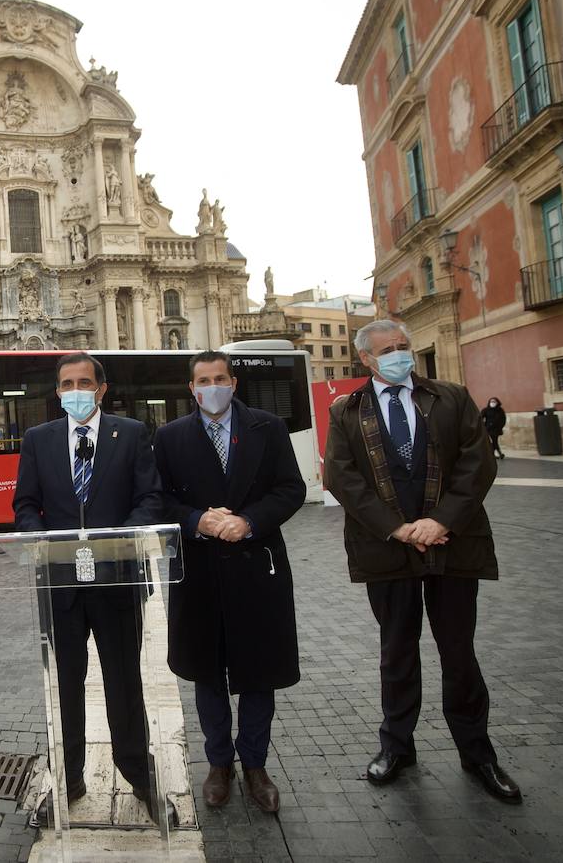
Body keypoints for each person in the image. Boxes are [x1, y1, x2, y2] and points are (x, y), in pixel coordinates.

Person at [324, 320, 521, 804]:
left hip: (453, 545)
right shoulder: (347, 410)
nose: (399, 355)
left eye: (403, 347)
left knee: (459, 653)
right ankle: (397, 747)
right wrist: (396, 527)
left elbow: (479, 463)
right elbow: (342, 477)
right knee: (396, 651)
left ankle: (478, 755)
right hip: (386, 549)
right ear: (366, 360)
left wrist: (441, 522)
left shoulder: (450, 397)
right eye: (387, 350)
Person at [152, 351, 305, 813]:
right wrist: (199, 520)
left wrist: (250, 522)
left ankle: (256, 765)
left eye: (220, 378)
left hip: (257, 569)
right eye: (203, 380)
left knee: (259, 673)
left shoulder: (267, 427)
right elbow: (158, 501)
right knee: (207, 673)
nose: (212, 387)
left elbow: (291, 489)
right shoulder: (170, 437)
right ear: (191, 389)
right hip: (199, 573)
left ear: (233, 383)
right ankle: (218, 765)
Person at [12, 353, 163, 817]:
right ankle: (69, 781)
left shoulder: (132, 433)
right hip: (61, 587)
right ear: (57, 392)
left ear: (101, 388)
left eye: (83, 382)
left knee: (124, 683)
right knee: (67, 687)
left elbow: (150, 499)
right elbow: (25, 503)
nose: (74, 390)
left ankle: (139, 776)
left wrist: (117, 539)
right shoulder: (39, 439)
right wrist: (36, 534)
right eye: (65, 384)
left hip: (116, 583)